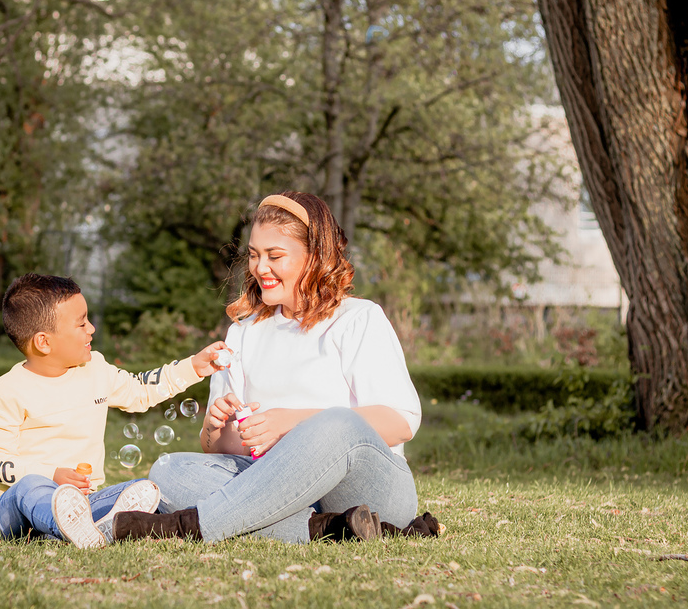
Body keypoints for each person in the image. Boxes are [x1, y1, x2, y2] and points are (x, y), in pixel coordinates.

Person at [112, 192, 441, 544]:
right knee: (170, 471)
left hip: (368, 490)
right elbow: (225, 449)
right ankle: (330, 529)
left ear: (314, 256)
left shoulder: (358, 318)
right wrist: (216, 428)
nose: (260, 268)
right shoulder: (243, 333)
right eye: (254, 255)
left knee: (338, 421)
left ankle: (186, 525)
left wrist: (291, 422)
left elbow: (402, 422)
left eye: (275, 256)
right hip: (280, 492)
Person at [0, 273, 226, 548]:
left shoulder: (95, 369)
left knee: (140, 488)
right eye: (81, 323)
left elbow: (140, 390)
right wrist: (51, 475)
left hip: (83, 502)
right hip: (16, 514)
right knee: (30, 486)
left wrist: (193, 367)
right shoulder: (3, 391)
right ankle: (70, 525)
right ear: (44, 342)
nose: (92, 328)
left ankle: (82, 527)